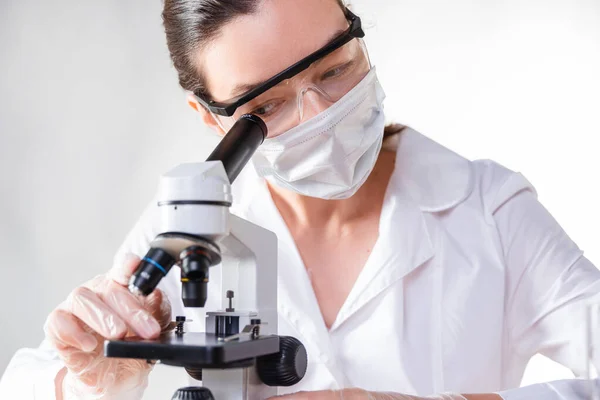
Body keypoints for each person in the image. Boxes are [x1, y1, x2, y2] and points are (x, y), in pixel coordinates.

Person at [0, 0, 598, 399]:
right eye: (264, 108)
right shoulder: (192, 224)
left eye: (335, 69)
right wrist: (90, 381)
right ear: (210, 120)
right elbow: (19, 384)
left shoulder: (487, 209)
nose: (320, 115)